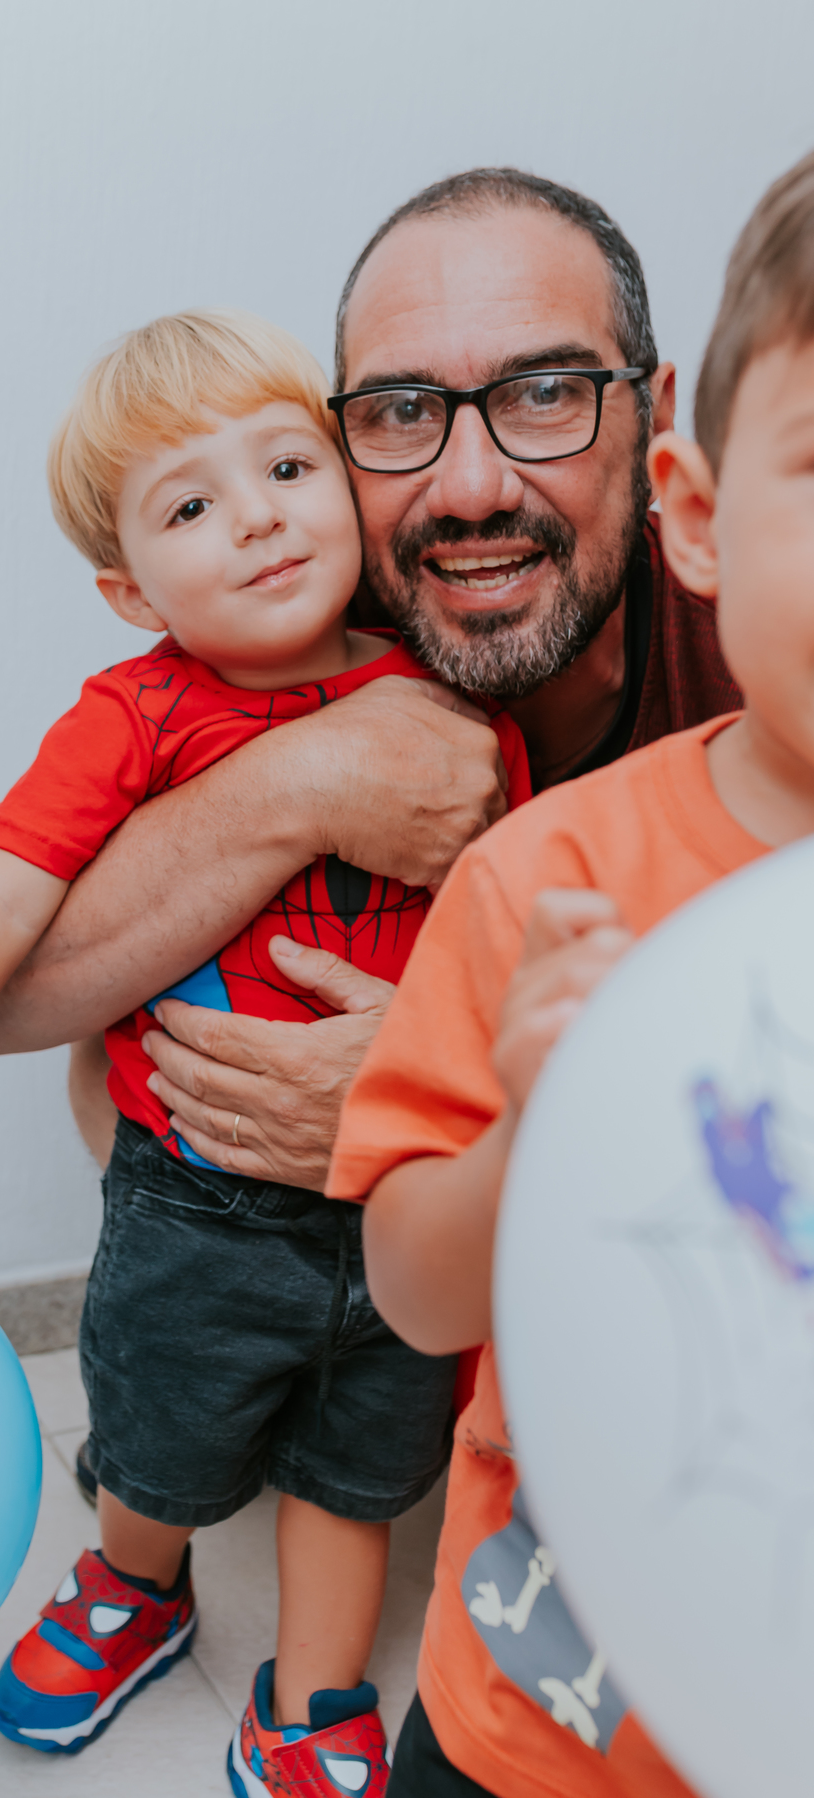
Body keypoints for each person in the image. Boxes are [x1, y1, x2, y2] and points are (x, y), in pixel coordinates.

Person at [0, 308, 530, 1795]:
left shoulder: (455, 699)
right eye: (194, 505)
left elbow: (504, 914)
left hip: (395, 1188)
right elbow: (0, 895)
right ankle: (135, 1583)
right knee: (156, 1438)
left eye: (288, 467)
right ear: (131, 591)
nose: (257, 517)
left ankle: (312, 1696)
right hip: (196, 1202)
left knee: (355, 1470)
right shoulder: (137, 714)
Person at [0, 168, 739, 1207]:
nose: (469, 489)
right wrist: (300, 782)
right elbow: (10, 1018)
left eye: (546, 394)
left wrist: (443, 1097)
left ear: (654, 418)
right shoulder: (293, 621)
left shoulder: (752, 638)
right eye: (403, 411)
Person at [329, 149, 814, 1796]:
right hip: (544, 1726)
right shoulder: (548, 877)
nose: (467, 477)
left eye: (539, 393)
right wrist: (539, 1128)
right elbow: (411, 1287)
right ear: (702, 513)